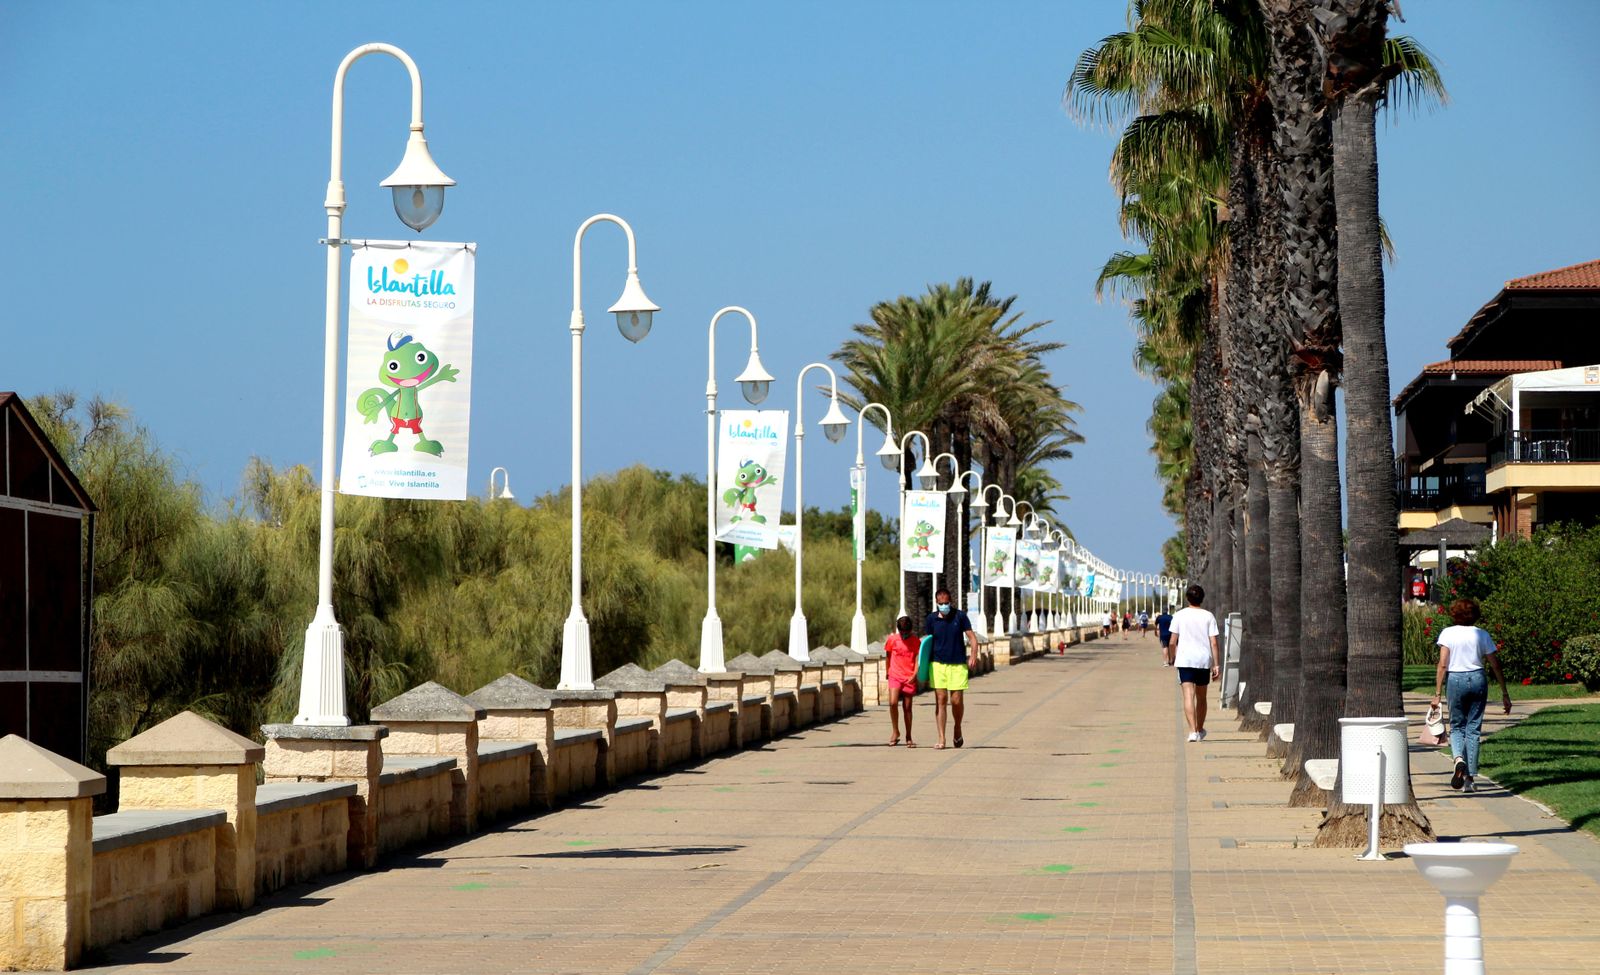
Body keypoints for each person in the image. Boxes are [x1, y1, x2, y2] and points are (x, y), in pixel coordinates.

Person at [1430, 598, 1510, 793]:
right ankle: (1470, 779)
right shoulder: (1481, 634)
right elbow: (1495, 664)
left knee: (1457, 726)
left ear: (1454, 614)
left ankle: (1458, 759)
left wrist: (1437, 693)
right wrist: (1505, 693)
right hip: (1478, 678)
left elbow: (1442, 664)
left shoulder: (1448, 633)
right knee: (1473, 728)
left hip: (1455, 679)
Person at [924, 587, 978, 750]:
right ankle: (941, 738)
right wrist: (922, 667)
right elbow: (927, 643)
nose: (944, 606)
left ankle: (957, 727)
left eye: (947, 603)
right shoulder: (931, 619)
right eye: (941, 603)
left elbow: (972, 638)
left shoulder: (960, 616)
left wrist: (973, 655)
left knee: (956, 701)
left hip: (958, 664)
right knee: (941, 700)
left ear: (951, 601)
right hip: (937, 664)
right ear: (936, 603)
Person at [1166, 584, 1220, 742]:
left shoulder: (1179, 615)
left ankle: (1192, 732)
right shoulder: (1208, 616)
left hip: (1185, 659)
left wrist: (1172, 657)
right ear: (1202, 598)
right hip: (1203, 660)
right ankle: (1200, 728)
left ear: (1187, 598)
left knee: (1188, 695)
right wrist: (1216, 665)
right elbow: (1214, 643)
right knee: (1202, 697)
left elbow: (1172, 641)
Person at [883, 615, 920, 747]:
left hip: (909, 676)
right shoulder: (892, 640)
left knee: (907, 707)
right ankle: (895, 731)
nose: (904, 634)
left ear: (911, 630)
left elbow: (917, 660)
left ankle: (908, 736)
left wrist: (915, 674)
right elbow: (888, 656)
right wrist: (887, 671)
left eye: (907, 632)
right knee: (893, 702)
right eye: (902, 632)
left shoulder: (916, 641)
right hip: (895, 674)